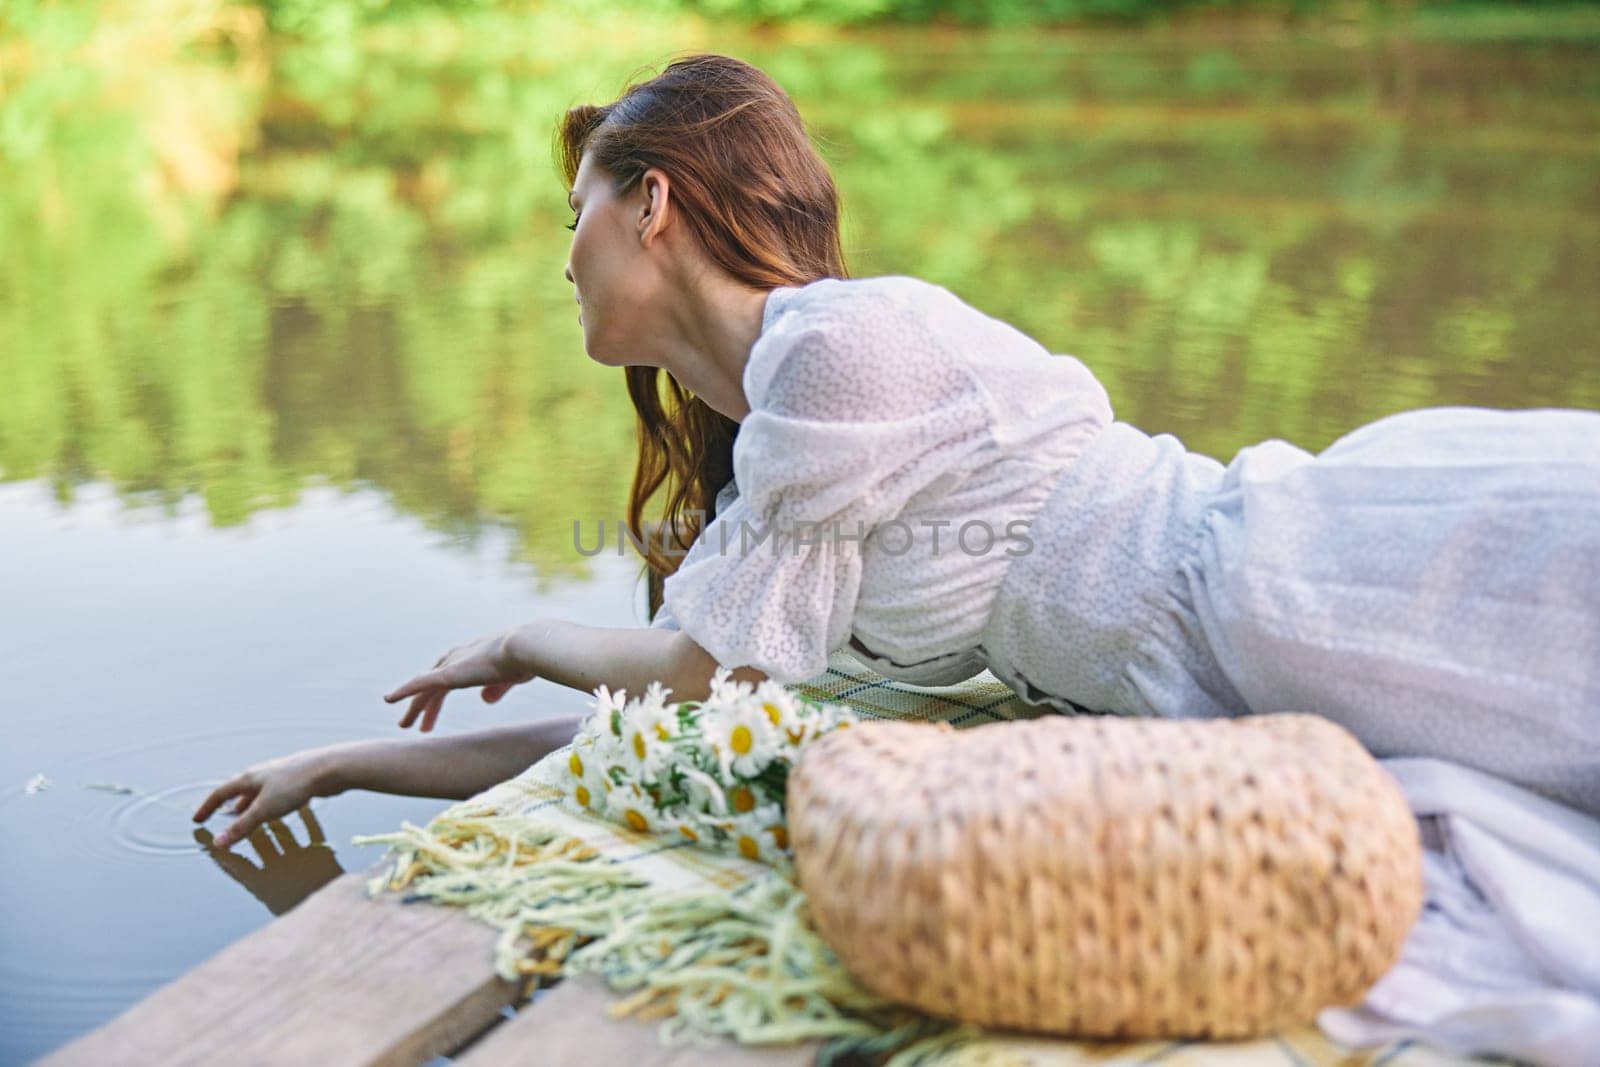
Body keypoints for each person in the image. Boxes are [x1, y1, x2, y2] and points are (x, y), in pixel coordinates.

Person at [195, 53, 1600, 1064]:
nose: (561, 253)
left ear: (655, 206)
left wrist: (513, 639)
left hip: (1295, 589)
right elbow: (677, 723)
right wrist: (340, 763)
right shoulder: (794, 466)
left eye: (578, 206)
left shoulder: (839, 349)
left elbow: (700, 668)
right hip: (1229, 671)